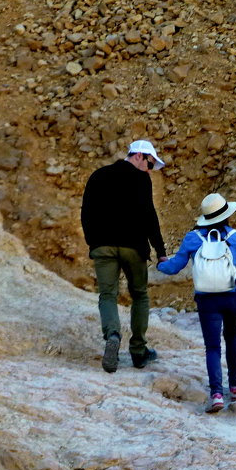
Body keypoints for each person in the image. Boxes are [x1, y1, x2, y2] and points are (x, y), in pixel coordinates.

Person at [156, 193, 236, 412]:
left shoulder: (193, 238)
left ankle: (216, 394)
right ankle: (234, 388)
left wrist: (160, 264)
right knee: (231, 336)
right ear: (226, 215)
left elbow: (174, 267)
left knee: (212, 346)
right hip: (235, 295)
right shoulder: (235, 237)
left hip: (207, 298)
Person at [80, 140, 169, 373]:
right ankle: (139, 351)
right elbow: (150, 216)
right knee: (139, 295)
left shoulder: (99, 175)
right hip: (133, 247)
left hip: (103, 247)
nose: (150, 169)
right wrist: (160, 252)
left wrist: (94, 242)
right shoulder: (141, 180)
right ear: (139, 156)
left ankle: (113, 334)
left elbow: (86, 211)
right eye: (150, 163)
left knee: (107, 294)